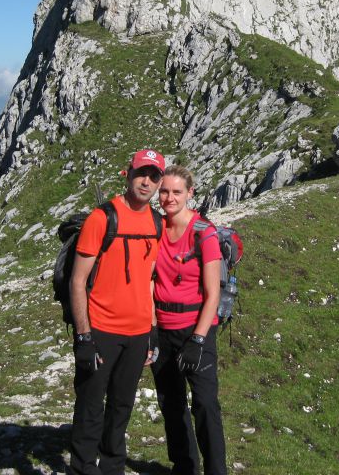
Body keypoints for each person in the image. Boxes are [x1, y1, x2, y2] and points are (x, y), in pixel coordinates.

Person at [68, 148, 166, 475]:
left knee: (122, 409)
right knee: (90, 408)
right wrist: (84, 337)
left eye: (154, 177)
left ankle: (112, 468)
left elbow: (150, 279)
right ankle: (82, 469)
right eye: (142, 173)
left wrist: (152, 331)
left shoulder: (156, 222)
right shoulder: (102, 218)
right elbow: (78, 280)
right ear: (129, 173)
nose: (146, 182)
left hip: (138, 335)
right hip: (101, 331)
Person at [152, 165, 227, 475]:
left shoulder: (204, 233)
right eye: (165, 191)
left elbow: (213, 294)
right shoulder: (155, 229)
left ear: (190, 193)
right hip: (161, 330)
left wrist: (197, 340)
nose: (169, 198)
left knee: (205, 405)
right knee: (171, 404)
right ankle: (184, 467)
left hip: (195, 330)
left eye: (176, 192)